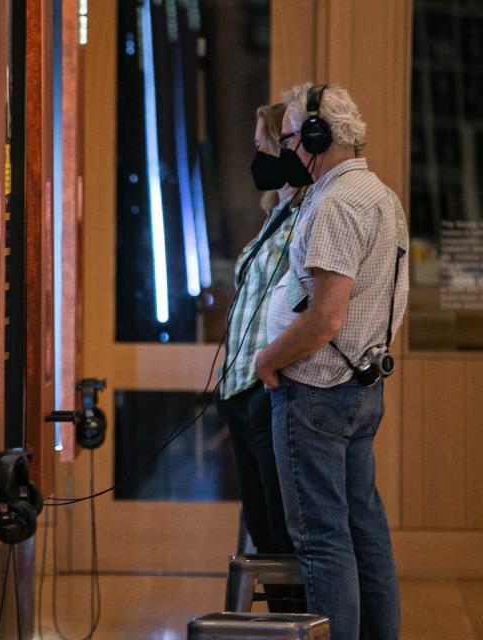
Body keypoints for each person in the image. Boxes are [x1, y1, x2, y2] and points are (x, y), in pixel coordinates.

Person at [255, 83, 407, 640]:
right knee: (363, 527)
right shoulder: (381, 195)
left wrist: (269, 360)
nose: (289, 150)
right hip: (357, 391)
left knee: (323, 538)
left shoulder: (339, 201)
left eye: (293, 138)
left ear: (317, 137)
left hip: (316, 391)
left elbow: (325, 317)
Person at [216, 102, 304, 612]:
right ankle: (279, 624)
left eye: (261, 145)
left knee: (283, 532)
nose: (256, 155)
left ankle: (296, 622)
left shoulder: (311, 213)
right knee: (264, 531)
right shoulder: (275, 214)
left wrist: (267, 366)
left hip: (270, 389)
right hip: (241, 390)